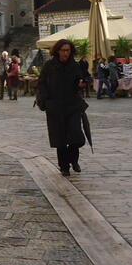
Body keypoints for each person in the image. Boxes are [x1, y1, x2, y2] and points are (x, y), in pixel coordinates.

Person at [37, 39, 91, 176]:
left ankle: (73, 159)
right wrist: (44, 101)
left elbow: (82, 80)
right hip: (55, 106)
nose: (65, 53)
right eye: (63, 50)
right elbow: (42, 83)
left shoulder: (75, 66)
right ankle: (64, 166)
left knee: (76, 137)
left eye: (68, 50)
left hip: (72, 105)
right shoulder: (50, 66)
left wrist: (81, 84)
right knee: (60, 139)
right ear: (57, 51)